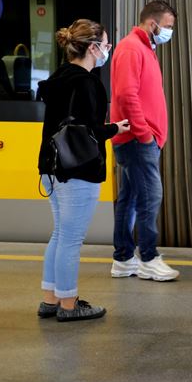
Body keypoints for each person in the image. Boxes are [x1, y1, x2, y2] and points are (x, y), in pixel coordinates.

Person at [36, 19, 130, 321]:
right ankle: (68, 304)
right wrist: (114, 128)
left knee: (60, 233)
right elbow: (87, 130)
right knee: (71, 238)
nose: (108, 50)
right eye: (105, 44)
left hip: (50, 166)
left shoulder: (59, 77)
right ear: (92, 48)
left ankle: (50, 298)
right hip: (77, 168)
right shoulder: (87, 82)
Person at [109, 0, 180, 281]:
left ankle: (124, 259)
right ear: (153, 24)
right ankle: (148, 257)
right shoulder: (131, 48)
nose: (169, 32)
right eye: (168, 27)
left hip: (138, 139)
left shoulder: (143, 48)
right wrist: (144, 133)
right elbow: (127, 96)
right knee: (150, 196)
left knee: (130, 197)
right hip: (137, 140)